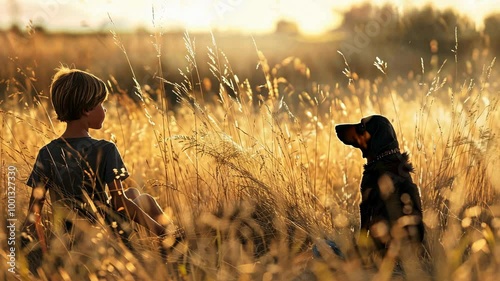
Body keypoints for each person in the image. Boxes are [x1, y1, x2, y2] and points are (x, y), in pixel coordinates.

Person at [21, 67, 169, 250]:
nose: (105, 109)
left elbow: (34, 210)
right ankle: (172, 239)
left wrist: (25, 246)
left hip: (67, 239)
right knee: (142, 198)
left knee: (133, 194)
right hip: (104, 234)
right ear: (86, 110)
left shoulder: (47, 152)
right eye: (101, 104)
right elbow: (118, 202)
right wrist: (159, 229)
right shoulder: (106, 149)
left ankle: (169, 238)